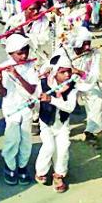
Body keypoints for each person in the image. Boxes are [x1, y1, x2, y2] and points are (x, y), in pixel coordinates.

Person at [0, 34, 38, 185]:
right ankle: (10, 166)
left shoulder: (31, 66)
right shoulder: (3, 66)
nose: (24, 55)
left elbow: (32, 89)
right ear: (11, 53)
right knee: (13, 138)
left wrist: (17, 75)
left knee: (26, 140)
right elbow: (3, 93)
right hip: (11, 108)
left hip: (26, 106)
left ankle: (22, 167)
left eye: (25, 51)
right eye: (19, 53)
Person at [35, 54, 78, 193]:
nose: (66, 75)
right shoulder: (43, 84)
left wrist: (51, 100)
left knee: (63, 147)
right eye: (62, 72)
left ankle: (59, 174)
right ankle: (41, 171)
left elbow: (70, 107)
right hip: (46, 123)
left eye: (68, 71)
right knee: (49, 147)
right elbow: (35, 101)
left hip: (62, 124)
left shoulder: (72, 87)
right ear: (54, 72)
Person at [71, 27, 102, 142]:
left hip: (86, 83)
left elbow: (94, 76)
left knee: (97, 97)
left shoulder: (95, 53)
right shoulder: (65, 51)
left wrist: (80, 73)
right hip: (68, 83)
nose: (87, 47)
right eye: (84, 44)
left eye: (88, 43)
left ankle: (91, 131)